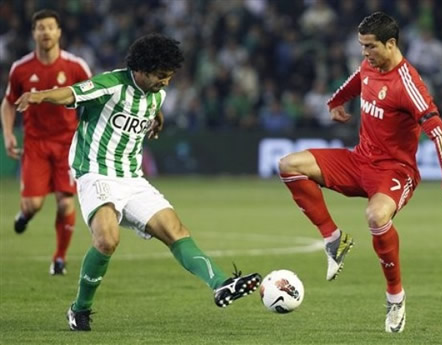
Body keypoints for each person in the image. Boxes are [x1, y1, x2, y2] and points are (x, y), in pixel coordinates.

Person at [15, 33, 261, 332]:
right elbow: (72, 93)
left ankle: (221, 283)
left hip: (132, 178)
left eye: (169, 77)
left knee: (175, 230)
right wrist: (39, 95)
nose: (166, 82)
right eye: (161, 76)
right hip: (96, 172)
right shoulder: (112, 84)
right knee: (107, 240)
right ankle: (79, 309)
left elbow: (147, 106)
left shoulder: (157, 93)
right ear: (141, 70)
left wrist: (156, 118)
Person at [278, 12, 442, 333]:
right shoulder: (370, 65)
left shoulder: (409, 84)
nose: (365, 53)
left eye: (370, 46)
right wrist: (335, 102)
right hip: (359, 161)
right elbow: (356, 80)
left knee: (376, 217)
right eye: (362, 46)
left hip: (395, 171)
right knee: (288, 165)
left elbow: (440, 133)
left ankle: (395, 298)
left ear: (391, 44)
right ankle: (334, 239)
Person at [1, 9, 92, 275]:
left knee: (66, 203)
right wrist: (8, 134)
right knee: (33, 205)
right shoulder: (21, 68)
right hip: (36, 144)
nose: (46, 32)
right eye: (40, 28)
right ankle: (24, 215)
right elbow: (8, 104)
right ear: (34, 33)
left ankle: (59, 259)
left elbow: (94, 96)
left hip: (67, 144)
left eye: (51, 27)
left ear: (59, 32)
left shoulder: (76, 66)